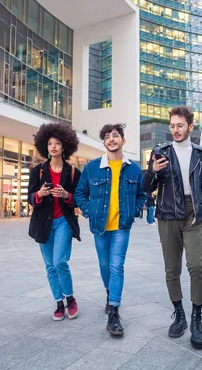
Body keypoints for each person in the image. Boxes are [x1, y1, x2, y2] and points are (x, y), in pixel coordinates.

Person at [143, 106, 202, 350]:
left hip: (194, 215)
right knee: (171, 269)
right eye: (172, 125)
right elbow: (146, 187)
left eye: (180, 125)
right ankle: (179, 314)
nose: (175, 130)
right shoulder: (160, 152)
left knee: (196, 265)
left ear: (190, 127)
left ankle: (196, 317)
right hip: (167, 214)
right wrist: (153, 171)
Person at [75, 123, 145, 336]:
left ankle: (114, 311)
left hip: (121, 227)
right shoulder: (92, 167)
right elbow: (80, 194)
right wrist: (90, 212)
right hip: (100, 227)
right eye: (107, 137)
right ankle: (109, 293)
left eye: (115, 136)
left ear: (123, 140)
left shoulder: (133, 168)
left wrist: (133, 211)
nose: (111, 139)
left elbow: (142, 194)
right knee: (105, 266)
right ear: (104, 143)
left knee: (117, 266)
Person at [28, 122, 81, 322]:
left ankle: (70, 299)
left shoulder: (74, 172)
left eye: (57, 143)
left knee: (60, 261)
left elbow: (80, 198)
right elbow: (30, 197)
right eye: (50, 143)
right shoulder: (38, 171)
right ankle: (59, 303)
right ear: (45, 146)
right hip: (43, 224)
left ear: (64, 146)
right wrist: (40, 194)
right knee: (50, 266)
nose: (53, 146)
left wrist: (67, 195)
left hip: (63, 222)